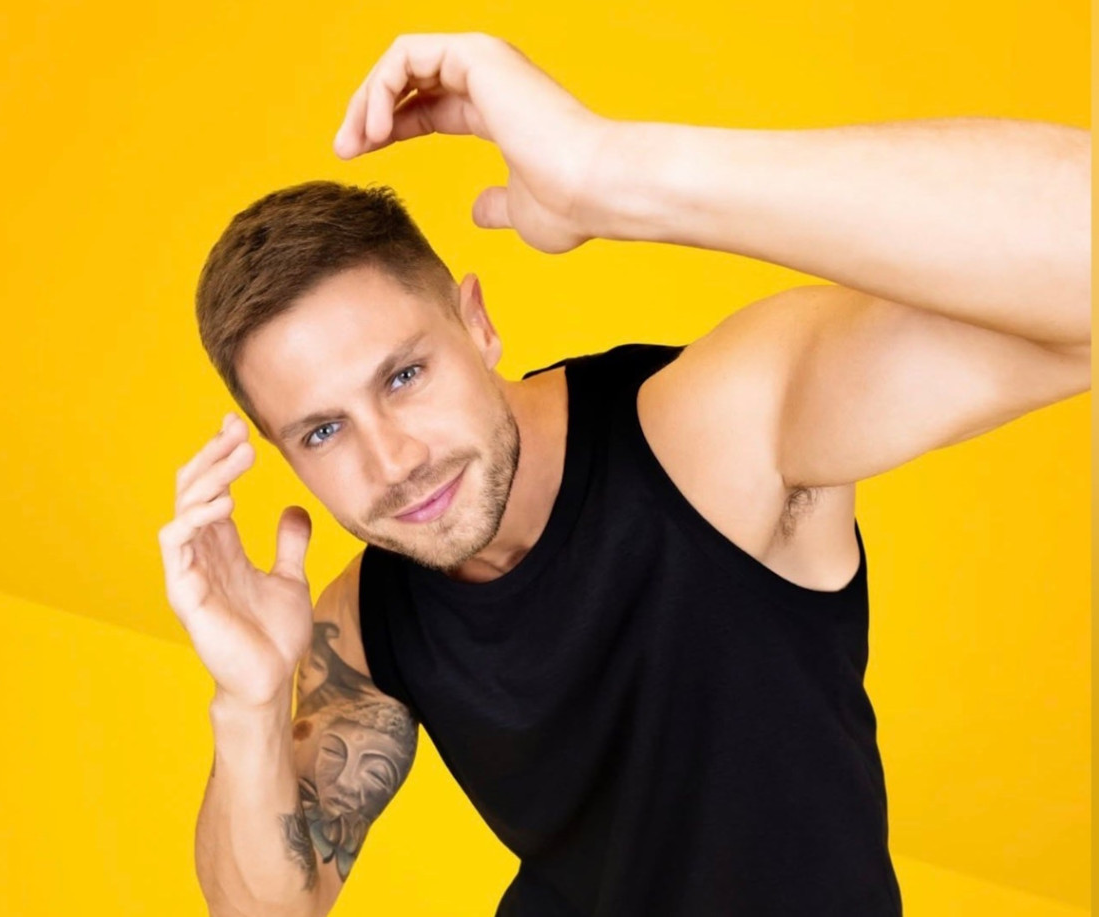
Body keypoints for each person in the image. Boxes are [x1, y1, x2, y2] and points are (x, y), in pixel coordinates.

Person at [157, 31, 1091, 917]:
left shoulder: (713, 436)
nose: (392, 460)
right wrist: (249, 704)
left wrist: (609, 173)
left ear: (477, 324)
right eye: (323, 431)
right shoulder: (365, 619)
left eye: (404, 376)